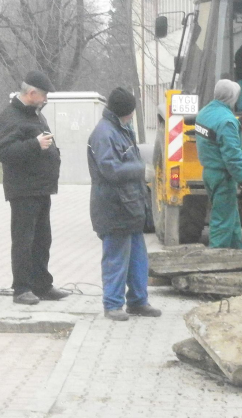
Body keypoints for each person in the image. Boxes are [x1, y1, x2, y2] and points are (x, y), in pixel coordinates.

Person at [0, 71, 70, 305]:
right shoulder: (9, 117)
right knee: (24, 240)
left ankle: (42, 284)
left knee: (42, 239)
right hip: (23, 190)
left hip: (41, 188)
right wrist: (34, 144)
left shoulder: (35, 115)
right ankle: (22, 288)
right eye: (44, 95)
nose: (46, 99)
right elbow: (3, 152)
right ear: (32, 92)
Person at [87, 88, 161, 321]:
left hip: (130, 206)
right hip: (113, 208)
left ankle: (138, 302)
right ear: (123, 112)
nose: (131, 116)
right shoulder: (103, 134)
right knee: (116, 259)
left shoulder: (121, 129)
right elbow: (110, 169)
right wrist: (141, 169)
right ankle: (112, 305)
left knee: (138, 259)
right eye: (130, 112)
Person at [195, 80, 242, 249]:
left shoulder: (204, 113)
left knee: (230, 216)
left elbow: (213, 137)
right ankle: (216, 257)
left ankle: (238, 251)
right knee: (222, 221)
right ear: (232, 97)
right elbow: (232, 156)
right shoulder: (227, 121)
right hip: (223, 175)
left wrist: (237, 126)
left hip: (209, 172)